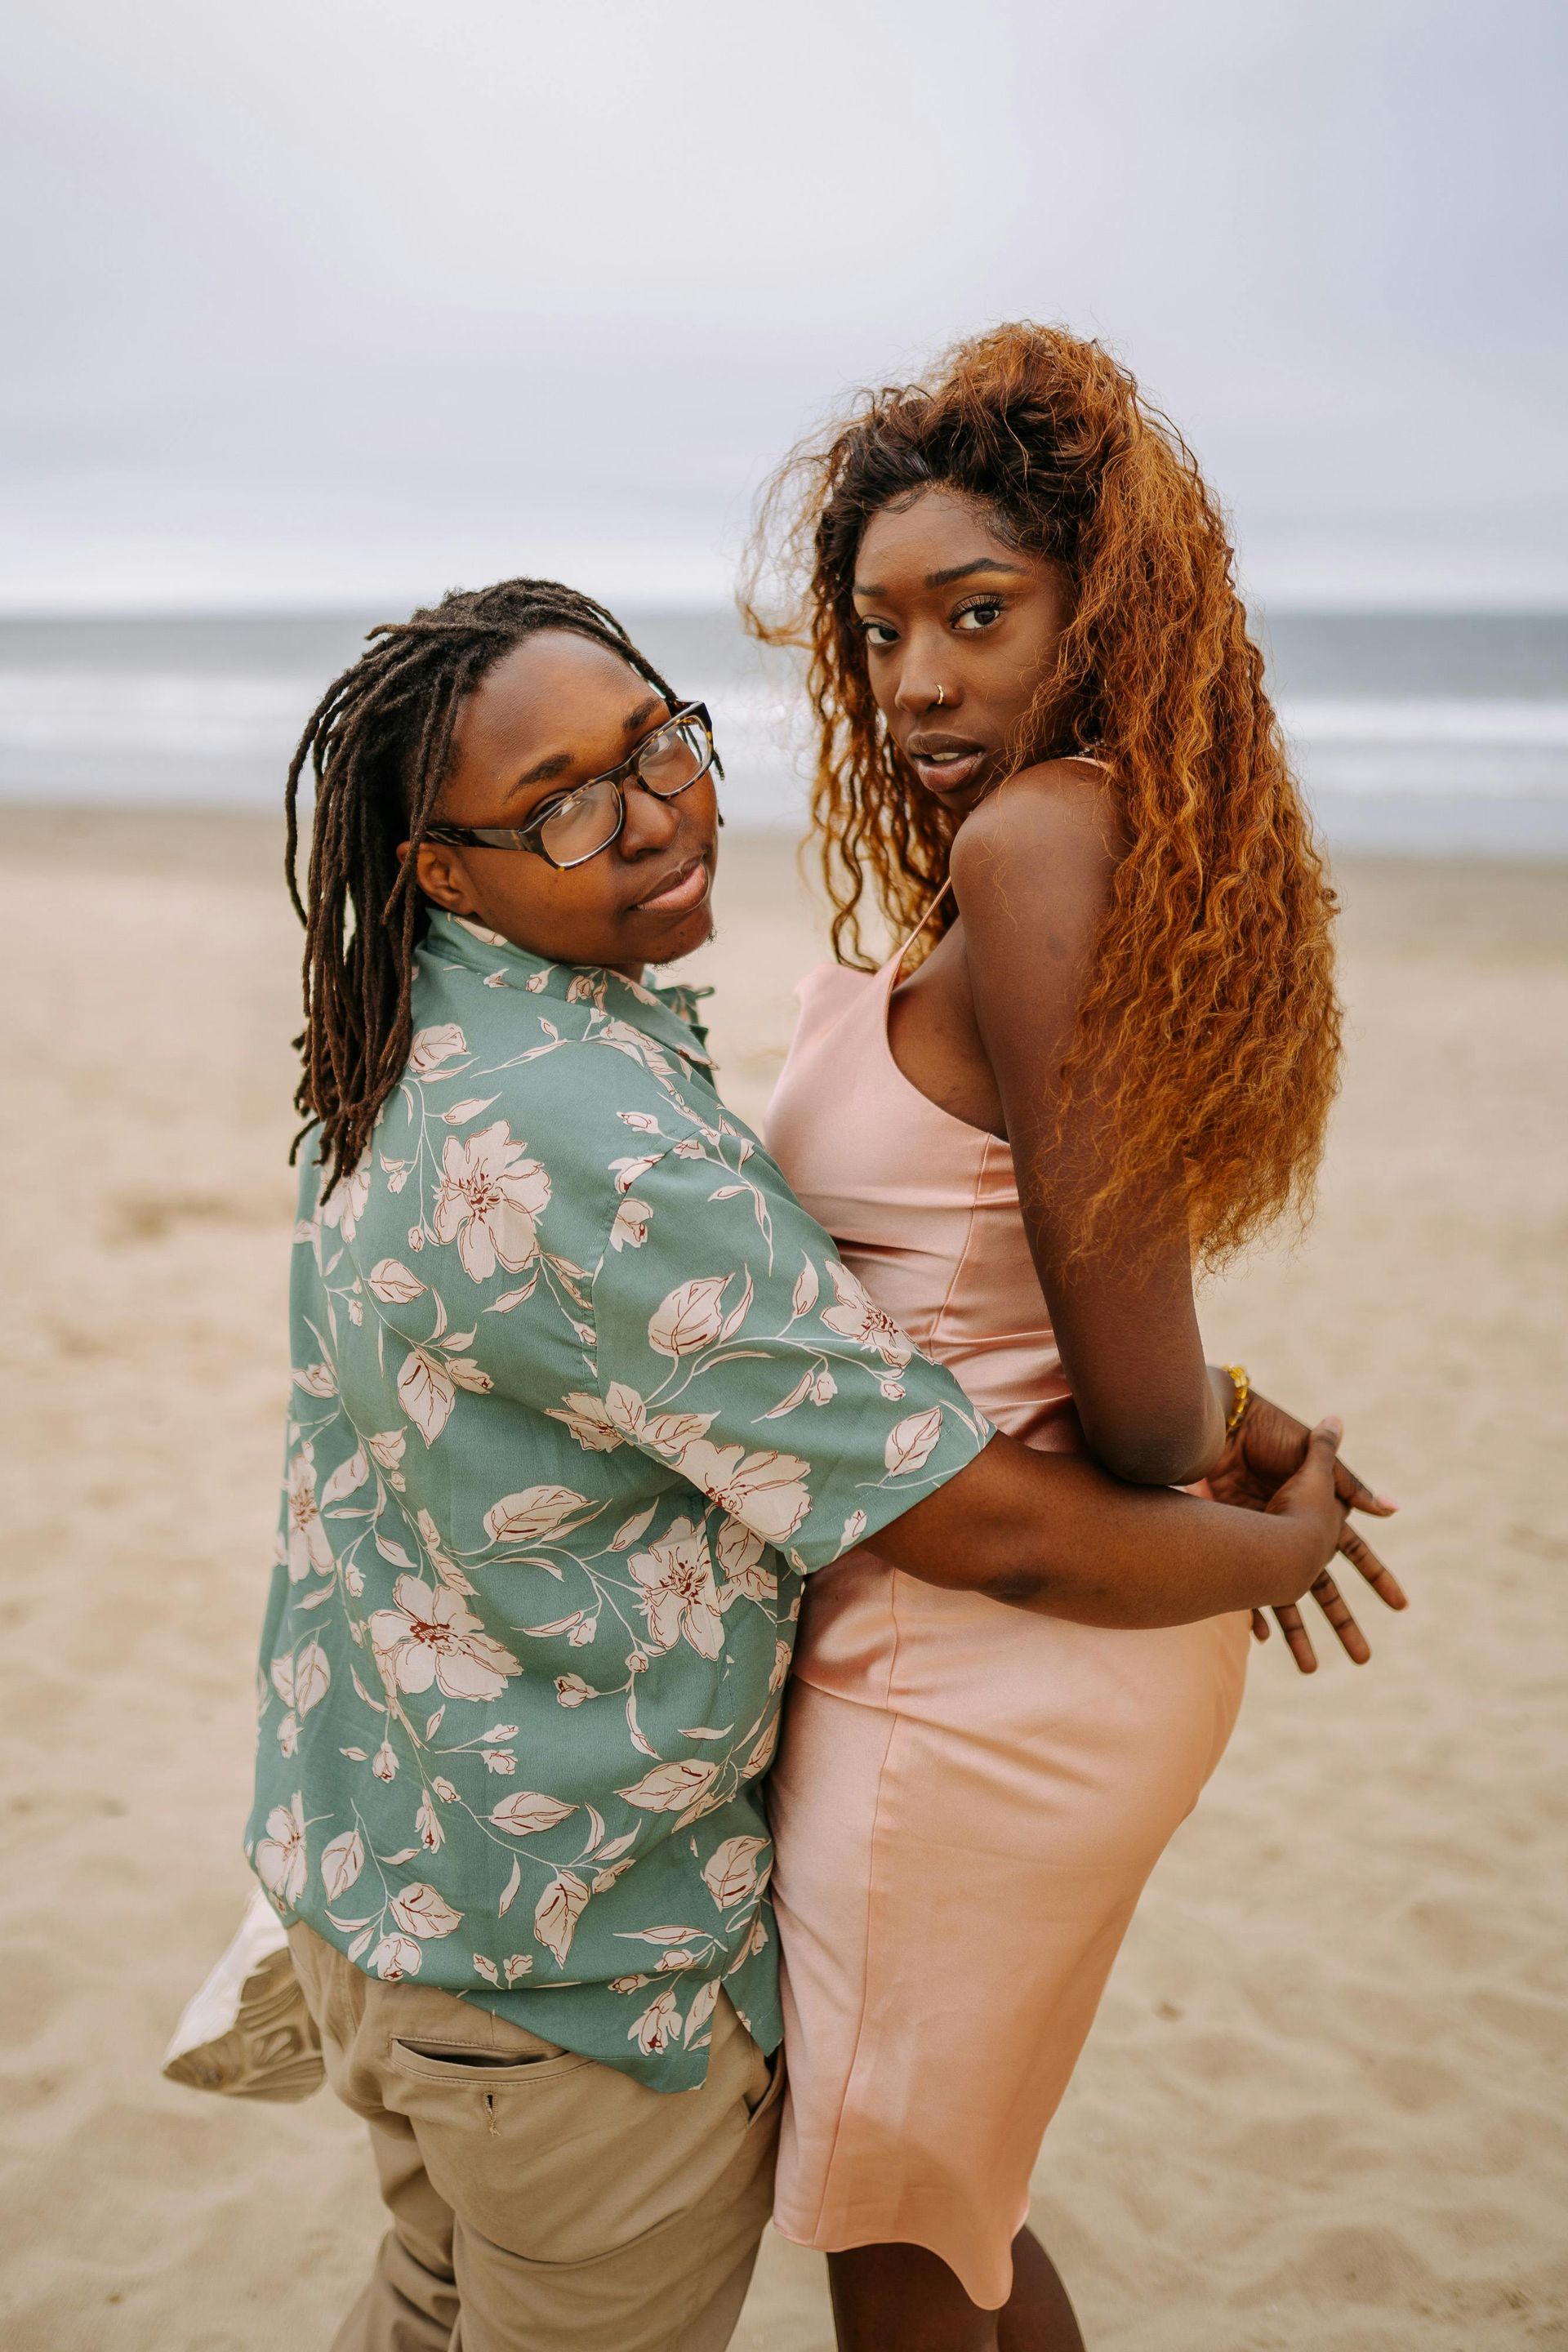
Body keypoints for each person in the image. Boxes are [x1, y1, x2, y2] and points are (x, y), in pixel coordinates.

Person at [248, 577, 1356, 2352]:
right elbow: (989, 1527)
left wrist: (1212, 1412)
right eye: (566, 802)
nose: (658, 811)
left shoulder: (413, 1021)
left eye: (658, 742)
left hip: (373, 1869)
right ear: (443, 869)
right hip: (563, 1968)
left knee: (437, 2294)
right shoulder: (587, 1148)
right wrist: (1274, 1546)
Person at [746, 325, 1407, 2350]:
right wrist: (1250, 1422)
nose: (919, 679)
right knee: (942, 2206)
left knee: (900, 2226)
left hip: (987, 1667)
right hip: (979, 1634)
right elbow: (1091, 1309)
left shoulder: (1040, 846)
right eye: (878, 632)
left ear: (1096, 611)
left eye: (979, 614)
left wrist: (1250, 1511)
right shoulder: (1082, 836)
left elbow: (1124, 1409)